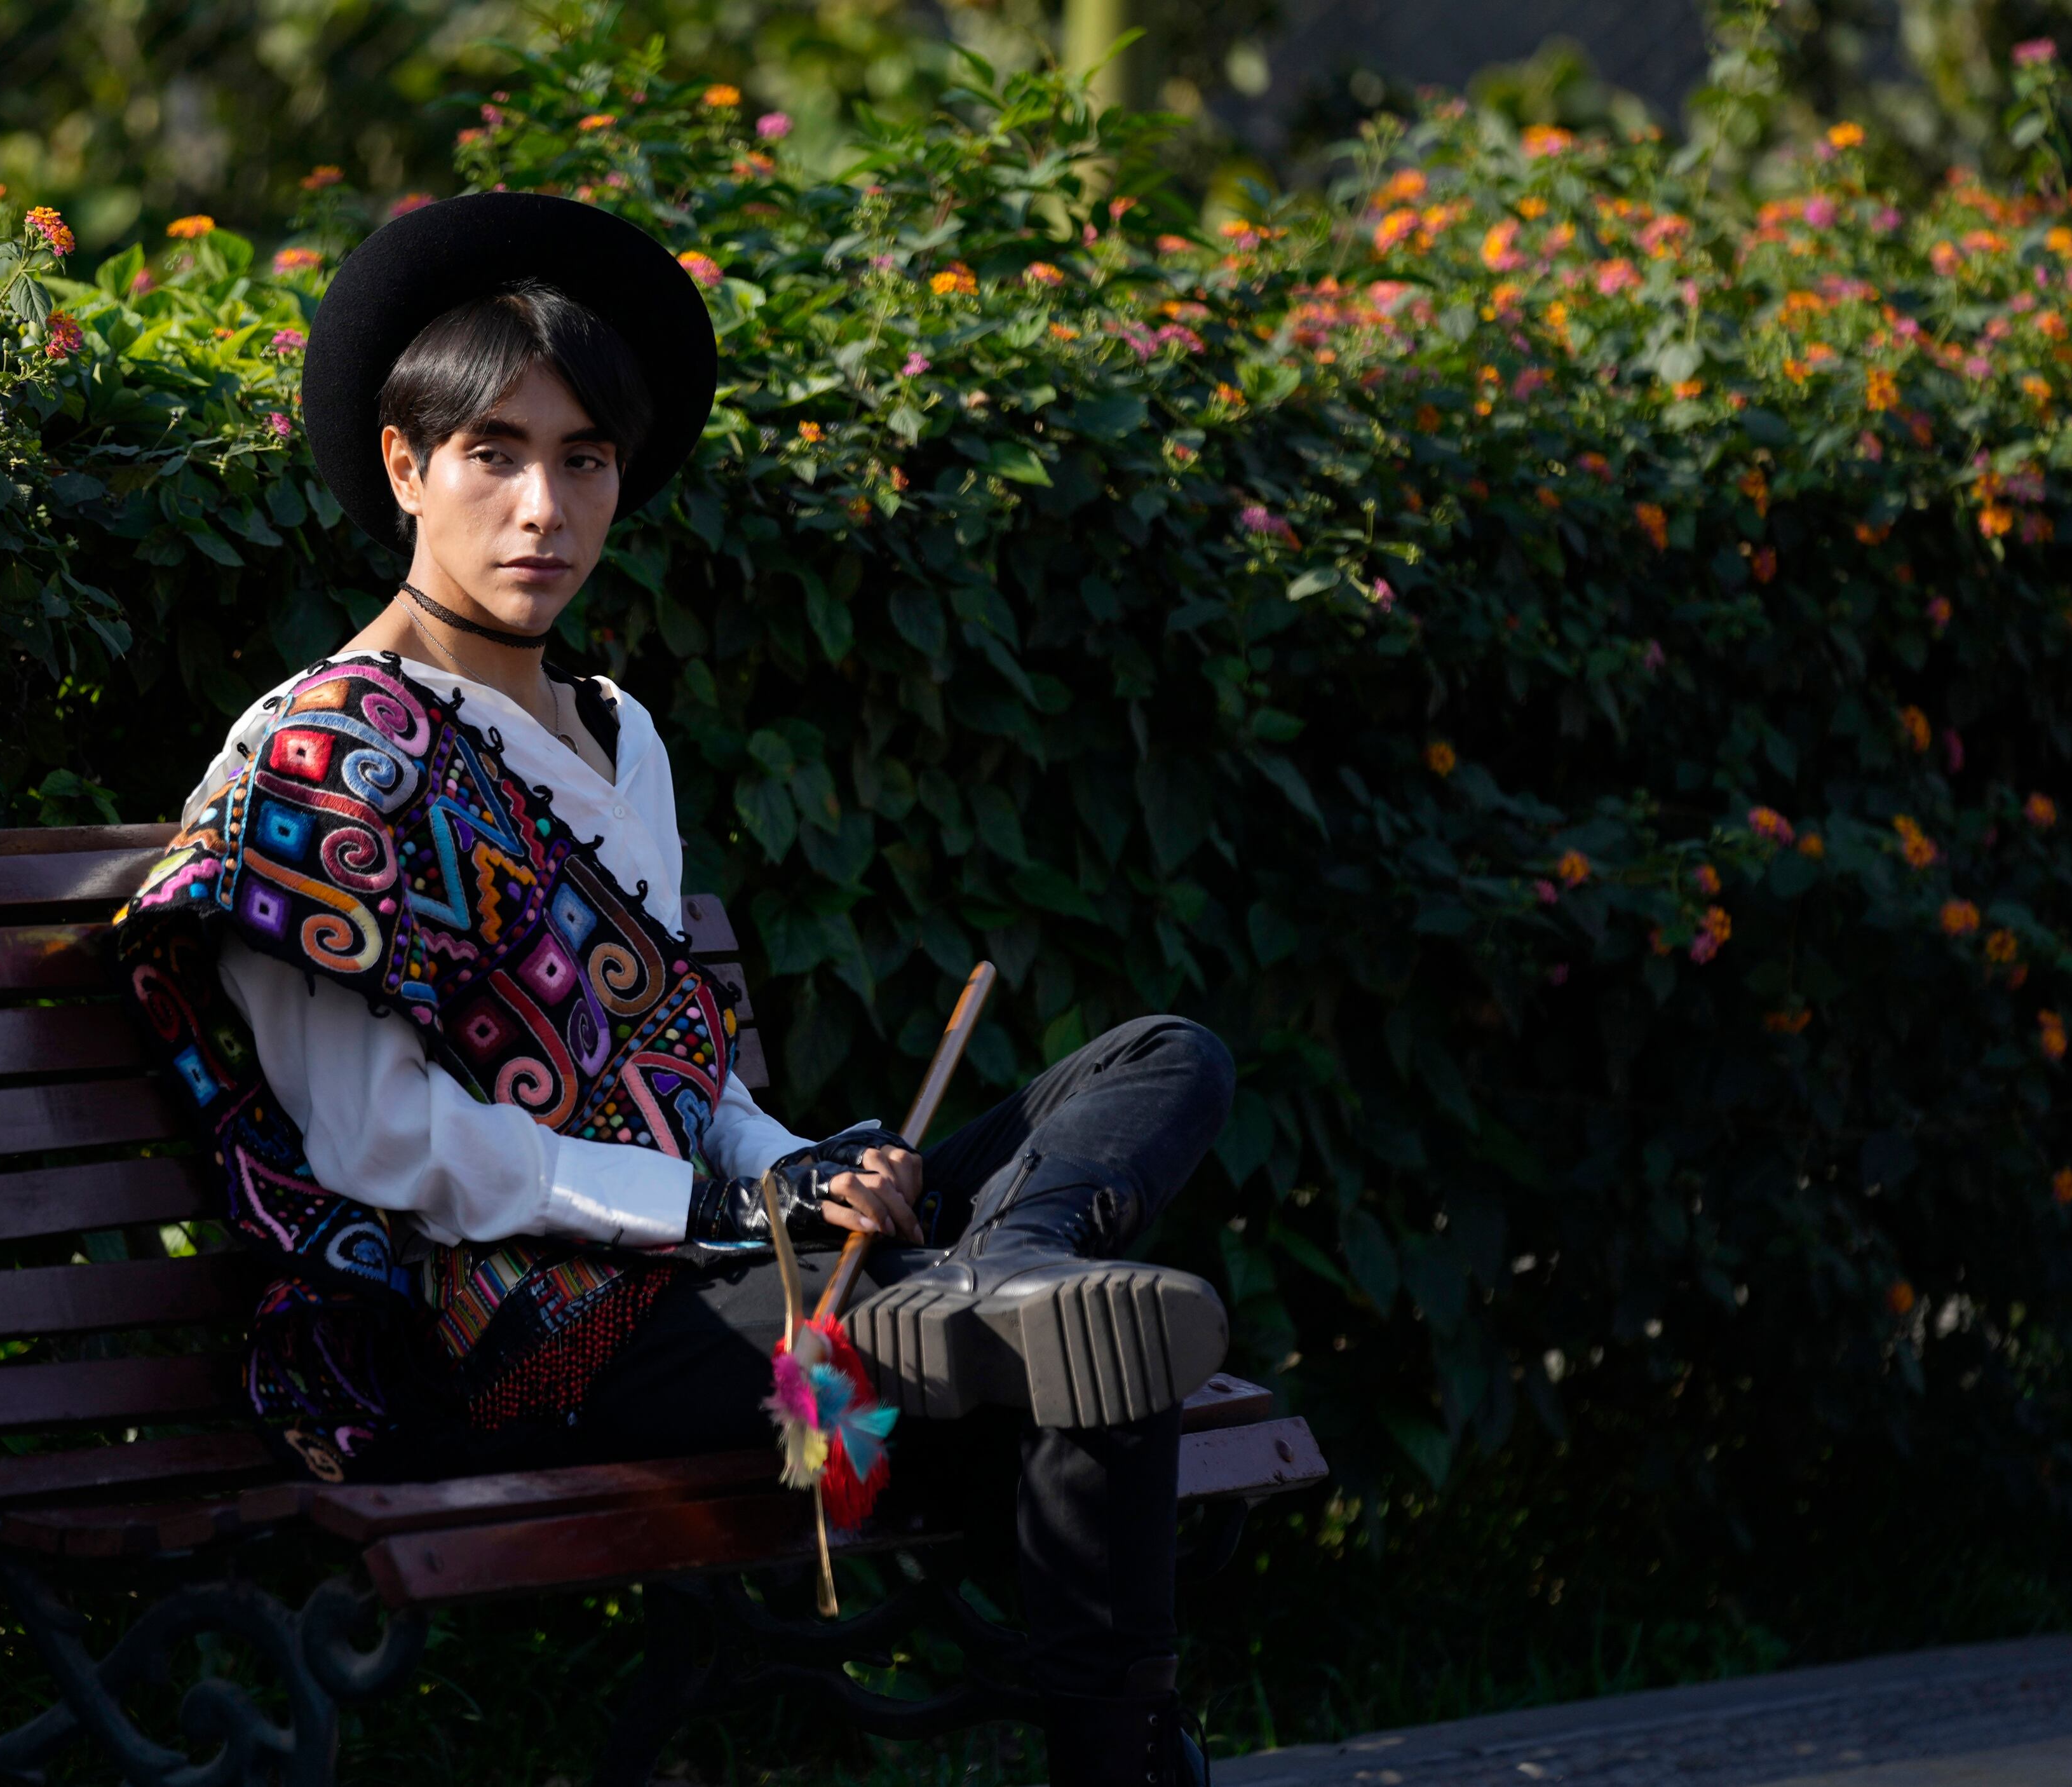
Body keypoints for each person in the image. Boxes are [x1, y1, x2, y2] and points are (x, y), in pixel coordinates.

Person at [111, 192, 1235, 1784]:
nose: (544, 508)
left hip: (712, 1265)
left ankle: (1015, 1265)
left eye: (584, 460)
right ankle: (1123, 1746)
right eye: (495, 453)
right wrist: (725, 1209)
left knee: (1158, 1057)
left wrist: (795, 1161)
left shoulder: (617, 730)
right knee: (1072, 1352)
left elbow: (676, 1066)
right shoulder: (319, 759)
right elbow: (379, 1144)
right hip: (509, 1327)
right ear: (403, 466)